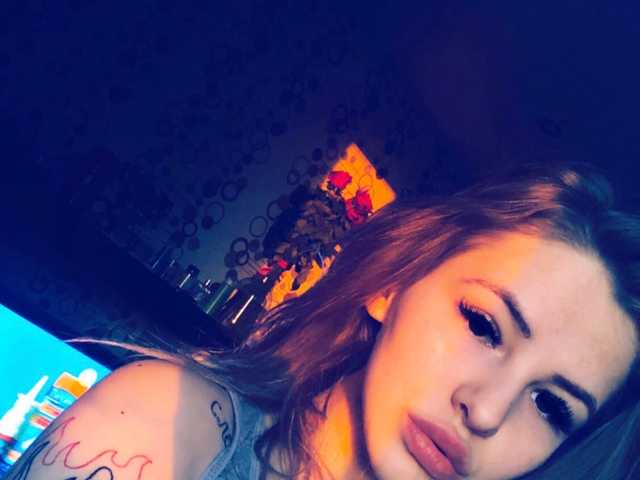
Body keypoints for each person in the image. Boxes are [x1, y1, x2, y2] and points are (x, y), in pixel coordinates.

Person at [6, 162, 640, 480]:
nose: (488, 410)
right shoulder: (167, 426)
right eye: (483, 325)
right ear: (393, 286)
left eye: (552, 406)